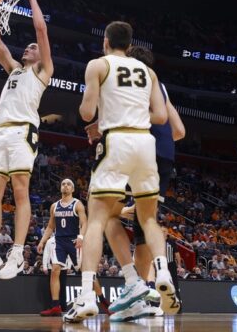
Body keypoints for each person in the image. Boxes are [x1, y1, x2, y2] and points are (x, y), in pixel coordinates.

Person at [64, 21, 177, 323]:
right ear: (129, 44)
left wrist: (105, 109)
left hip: (117, 141)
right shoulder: (149, 72)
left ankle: (86, 295)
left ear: (106, 41)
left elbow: (86, 113)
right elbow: (161, 116)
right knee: (149, 218)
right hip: (145, 144)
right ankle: (162, 272)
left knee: (97, 219)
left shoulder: (98, 65)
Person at [87, 46, 186, 321]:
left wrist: (105, 126)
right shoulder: (160, 87)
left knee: (107, 215)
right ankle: (142, 295)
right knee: (145, 224)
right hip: (165, 156)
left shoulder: (130, 82)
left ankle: (133, 281)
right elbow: (179, 131)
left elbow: (119, 114)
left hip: (135, 147)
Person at [0, 0, 53, 281]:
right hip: (1, 132)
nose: (28, 49)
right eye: (27, 47)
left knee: (20, 190)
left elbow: (41, 30)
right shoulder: (14, 70)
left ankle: (18, 253)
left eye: (32, 48)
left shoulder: (43, 71)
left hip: (23, 131)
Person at [37, 179, 88, 316]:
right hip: (59, 241)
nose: (65, 186)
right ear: (60, 188)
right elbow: (50, 226)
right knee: (55, 270)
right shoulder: (54, 206)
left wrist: (81, 237)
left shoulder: (77, 204)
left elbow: (84, 223)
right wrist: (42, 241)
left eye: (68, 184)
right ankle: (55, 306)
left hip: (73, 241)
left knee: (86, 272)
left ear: (73, 189)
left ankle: (103, 301)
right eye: (63, 184)